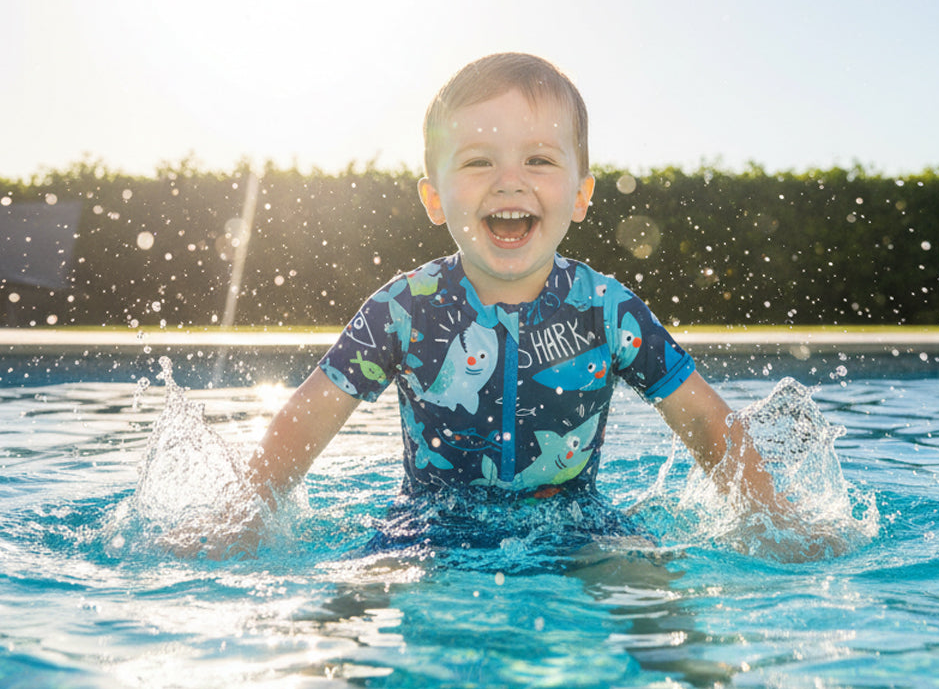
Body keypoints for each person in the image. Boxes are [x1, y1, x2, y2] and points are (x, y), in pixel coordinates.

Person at [246, 52, 785, 519]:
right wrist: (242, 516)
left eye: (539, 160)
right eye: (479, 161)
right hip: (429, 530)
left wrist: (777, 519)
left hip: (575, 527)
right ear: (435, 200)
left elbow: (706, 420)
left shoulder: (606, 311)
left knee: (658, 602)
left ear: (580, 195)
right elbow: (306, 418)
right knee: (349, 602)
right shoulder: (404, 309)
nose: (509, 179)